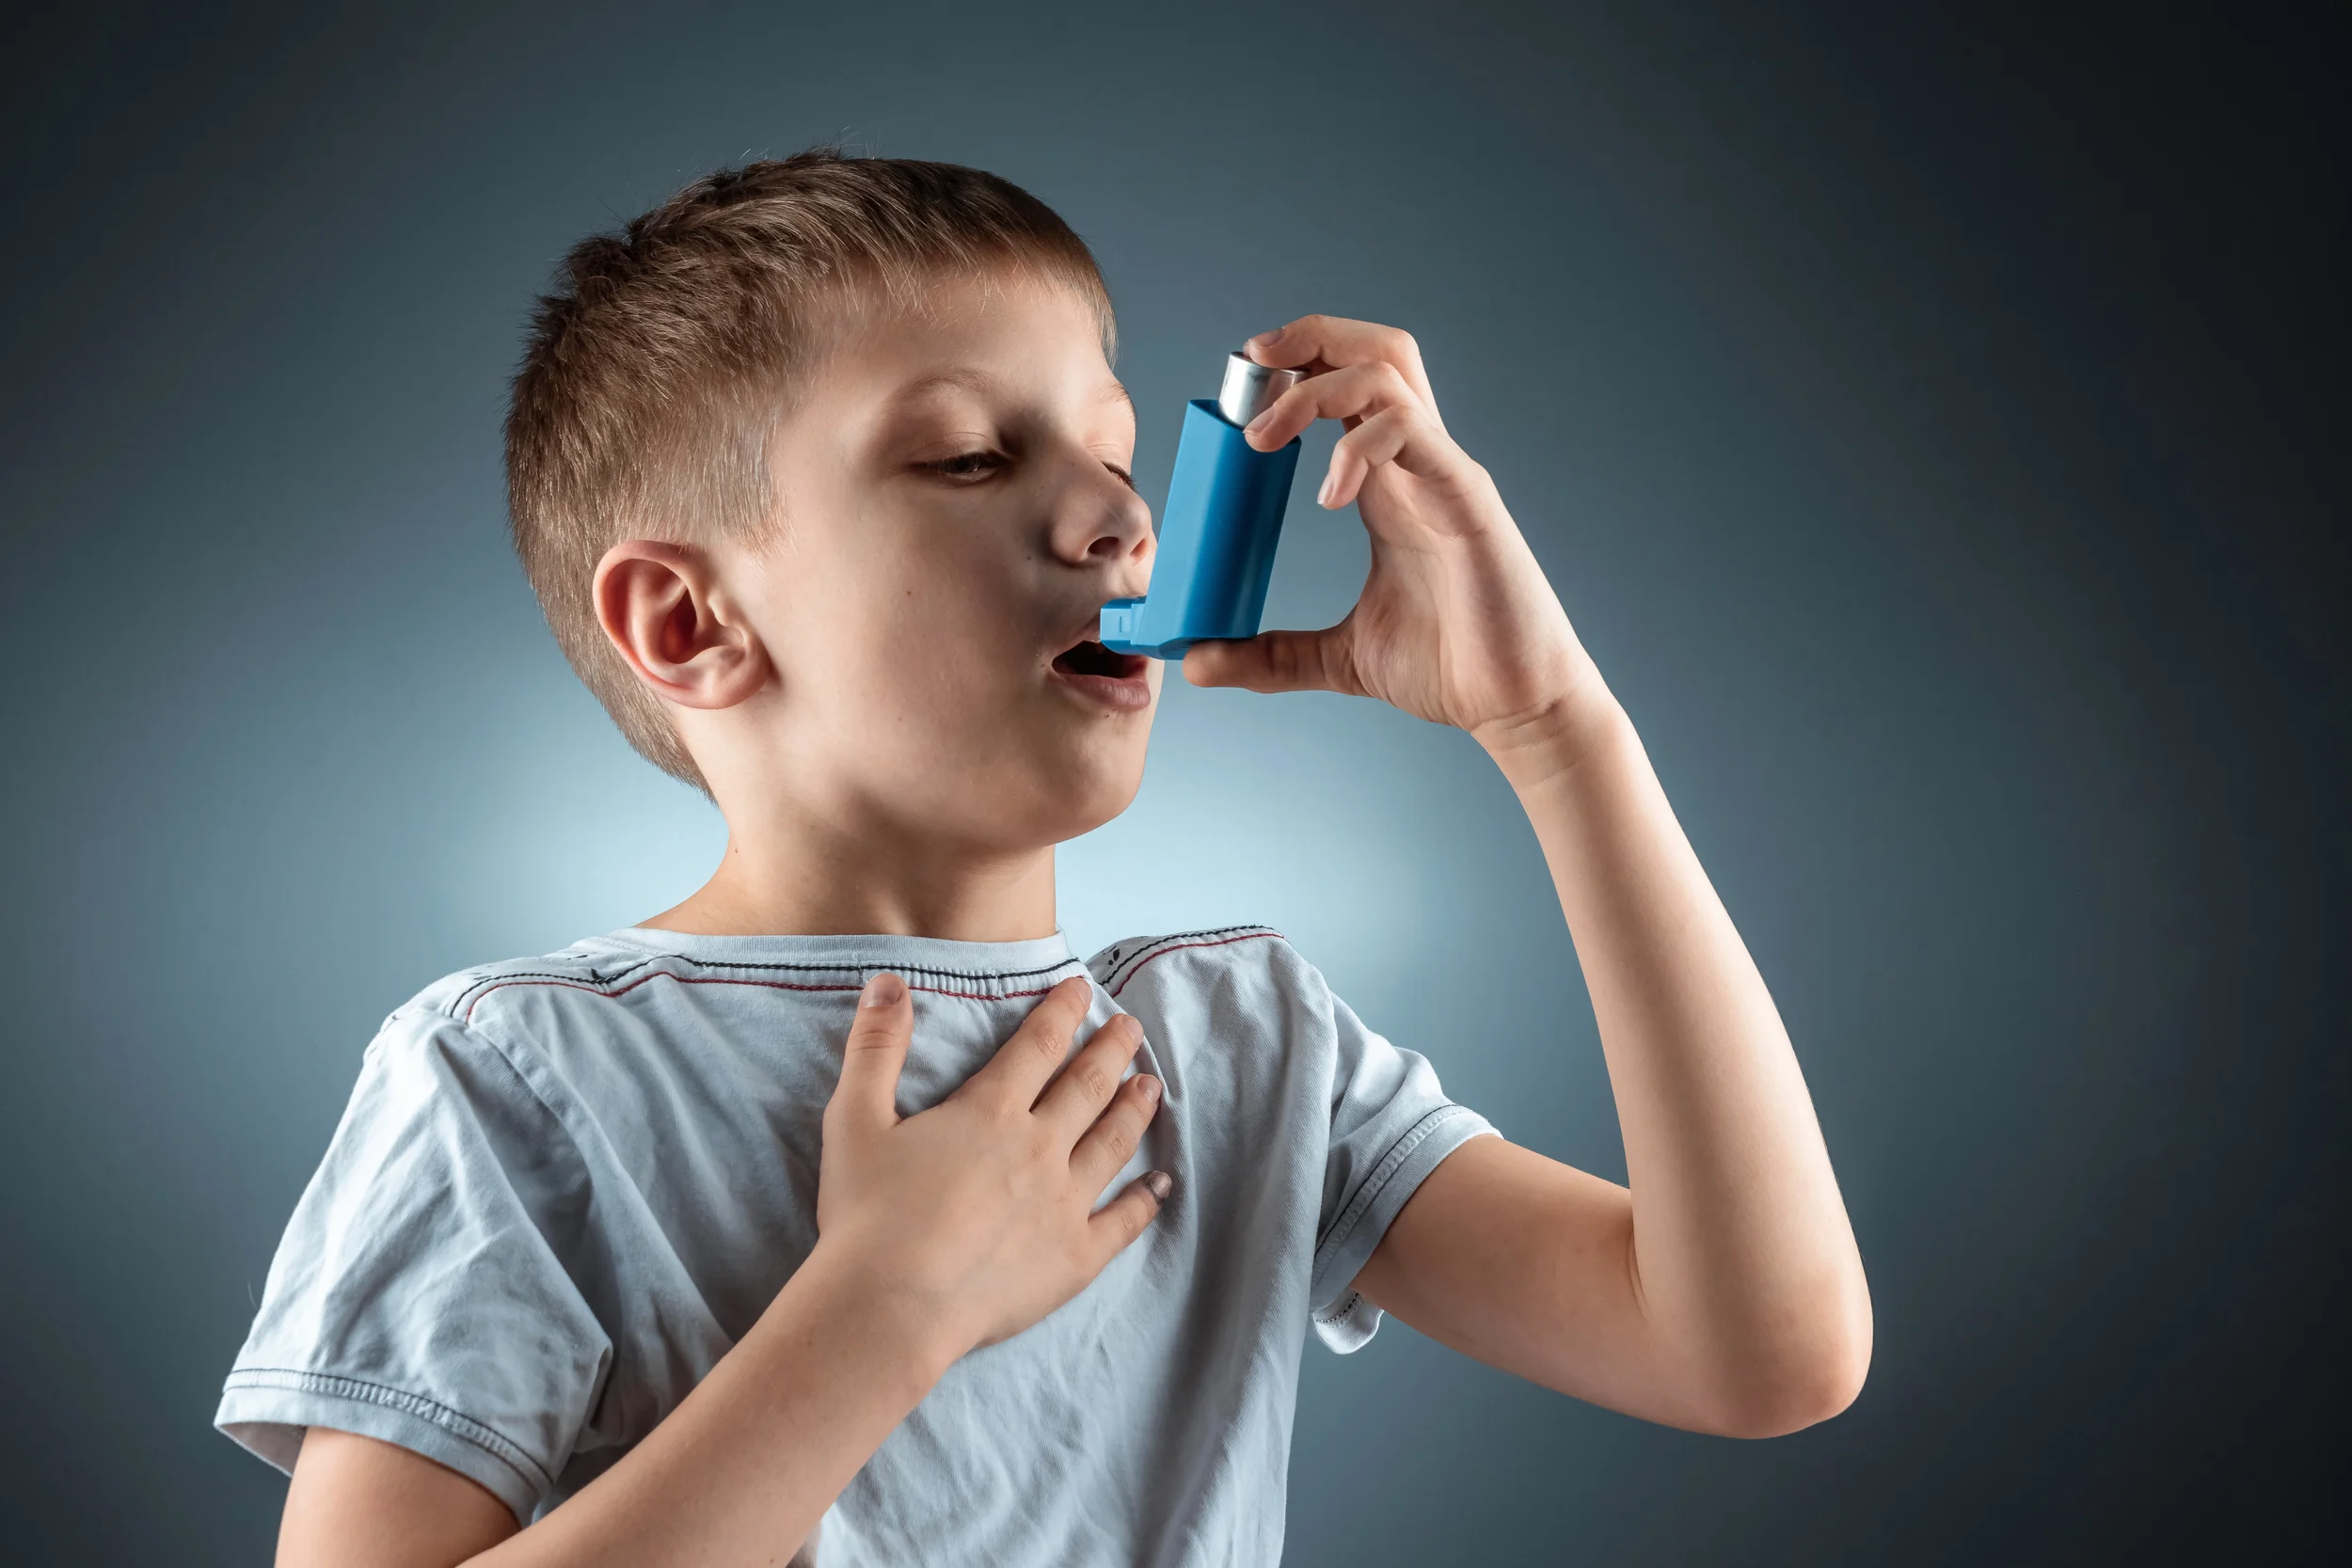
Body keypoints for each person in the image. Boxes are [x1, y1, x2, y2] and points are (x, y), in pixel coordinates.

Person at [217, 150, 1871, 1567]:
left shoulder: (1242, 1042)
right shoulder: (515, 1076)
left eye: (1115, 452)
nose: (1118, 518)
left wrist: (1556, 727)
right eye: (965, 457)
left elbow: (1762, 1353)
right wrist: (888, 1308)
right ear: (688, 620)